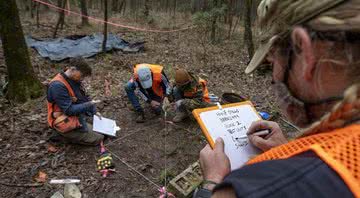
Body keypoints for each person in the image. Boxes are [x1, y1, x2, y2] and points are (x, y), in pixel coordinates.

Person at [195, 0, 360, 197]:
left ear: (304, 51)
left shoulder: (258, 188)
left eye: (272, 62)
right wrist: (287, 149)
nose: (273, 75)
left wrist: (213, 183)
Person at [47, 58, 104, 146]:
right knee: (99, 138)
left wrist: (94, 111)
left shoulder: (74, 80)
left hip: (77, 115)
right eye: (82, 75)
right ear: (73, 70)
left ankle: (81, 127)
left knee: (103, 129)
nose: (82, 78)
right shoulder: (57, 86)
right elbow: (69, 110)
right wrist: (89, 104)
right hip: (65, 120)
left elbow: (83, 97)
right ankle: (62, 135)